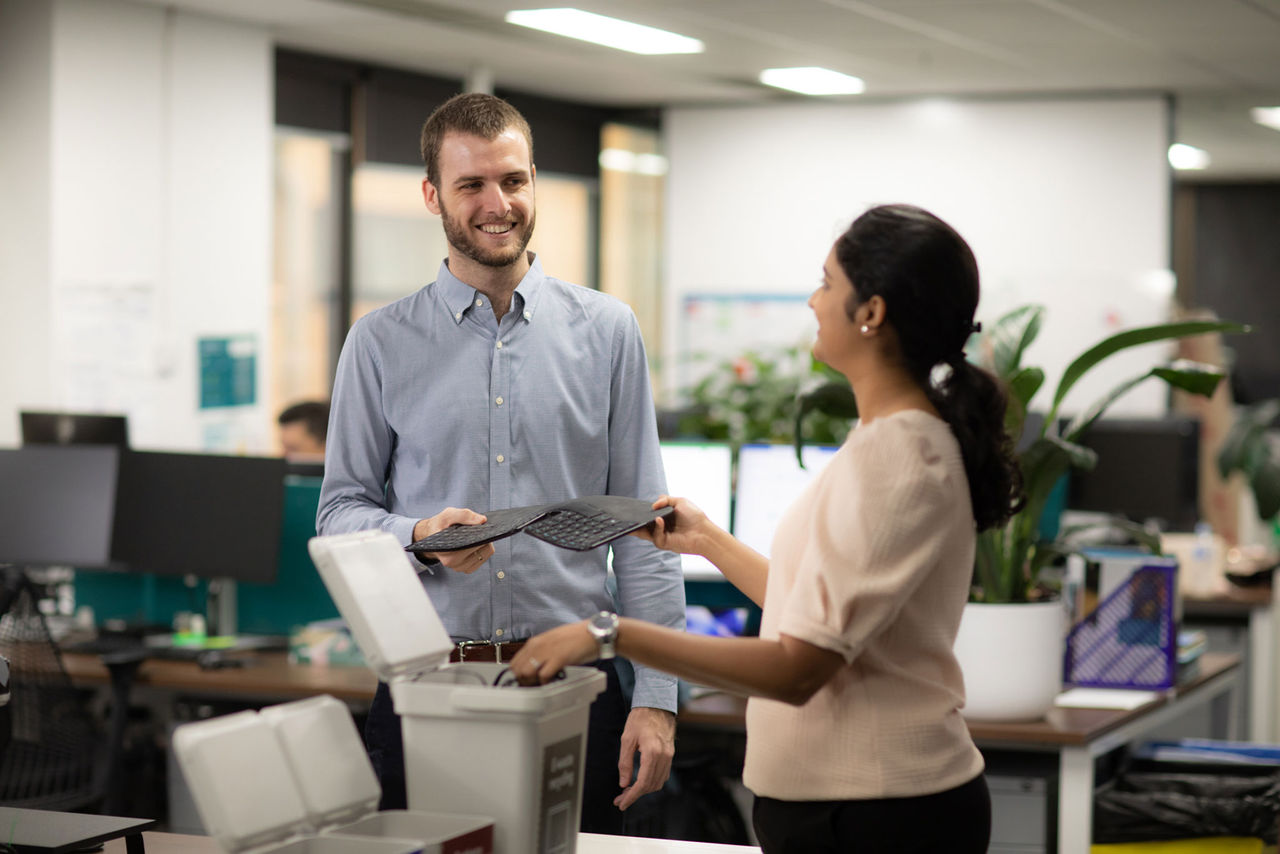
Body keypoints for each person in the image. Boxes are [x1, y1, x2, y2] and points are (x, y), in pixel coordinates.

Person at [511, 204, 1024, 853]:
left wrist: (607, 634)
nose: (814, 301)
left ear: (871, 312)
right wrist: (707, 542)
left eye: (827, 283)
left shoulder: (900, 455)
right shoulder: (884, 439)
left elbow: (797, 668)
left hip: (878, 810)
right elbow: (812, 610)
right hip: (849, 804)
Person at [315, 92, 684, 832]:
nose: (498, 203)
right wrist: (421, 537)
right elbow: (340, 513)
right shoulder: (379, 342)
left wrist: (656, 699)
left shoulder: (608, 331)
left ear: (535, 183)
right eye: (472, 184)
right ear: (432, 195)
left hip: (579, 683)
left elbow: (648, 529)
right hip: (430, 685)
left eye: (513, 181)